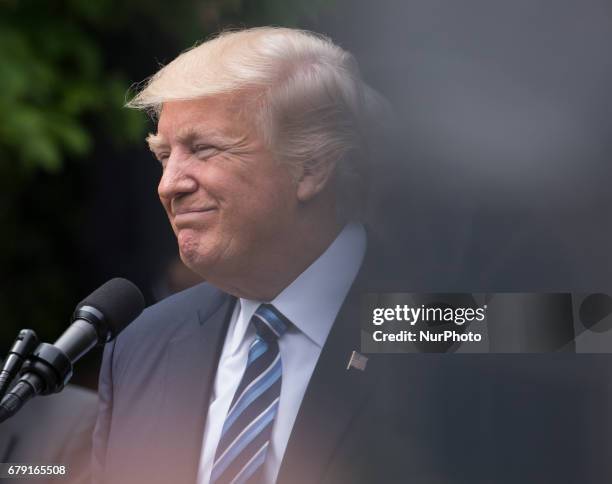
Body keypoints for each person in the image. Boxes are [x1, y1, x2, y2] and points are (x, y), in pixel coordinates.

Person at [92, 27, 609, 484]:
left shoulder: (452, 318)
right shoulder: (142, 346)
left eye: (204, 149)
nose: (168, 185)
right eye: (163, 155)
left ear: (311, 168)